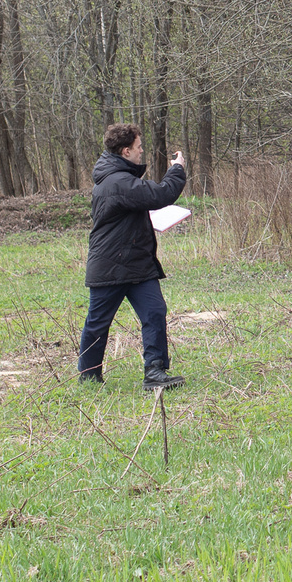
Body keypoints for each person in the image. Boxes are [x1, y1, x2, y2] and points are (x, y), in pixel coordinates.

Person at [80, 122, 188, 389]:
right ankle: (89, 377)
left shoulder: (120, 179)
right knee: (98, 323)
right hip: (110, 265)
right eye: (138, 147)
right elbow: (161, 194)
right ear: (125, 151)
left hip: (136, 264)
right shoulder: (117, 182)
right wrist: (177, 169)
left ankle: (155, 372)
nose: (142, 151)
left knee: (154, 312)